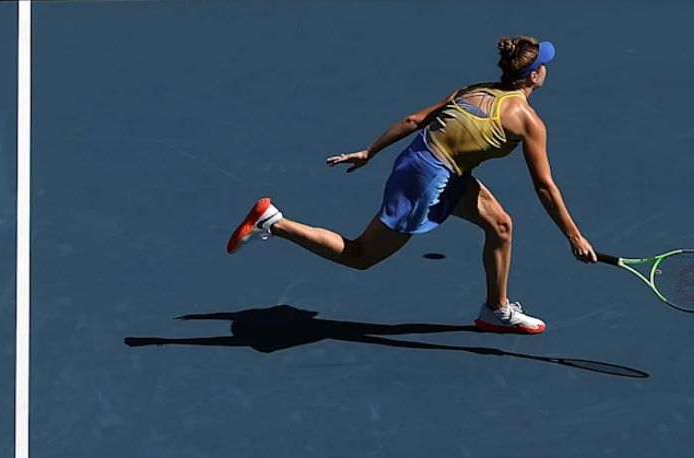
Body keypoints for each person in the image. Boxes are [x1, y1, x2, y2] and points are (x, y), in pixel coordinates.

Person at [227, 36, 597, 334]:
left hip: (431, 162)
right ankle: (273, 223)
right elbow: (545, 187)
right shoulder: (528, 121)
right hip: (426, 179)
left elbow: (414, 119)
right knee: (360, 256)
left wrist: (370, 151)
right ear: (532, 76)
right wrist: (574, 236)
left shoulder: (473, 89)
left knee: (500, 225)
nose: (546, 68)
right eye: (542, 64)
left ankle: (495, 311)